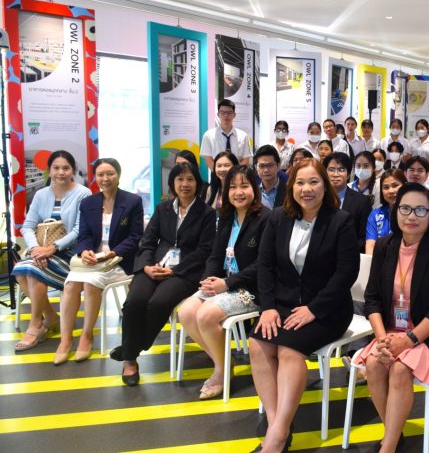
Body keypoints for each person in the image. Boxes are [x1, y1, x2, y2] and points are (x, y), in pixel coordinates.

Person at [249, 158, 359, 453]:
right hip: (283, 304)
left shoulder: (340, 220)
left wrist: (314, 309)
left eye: (313, 182)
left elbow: (346, 273)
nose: (306, 189)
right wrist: (268, 307)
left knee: (288, 349)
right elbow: (266, 267)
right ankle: (279, 427)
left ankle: (274, 438)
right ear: (291, 186)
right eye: (300, 182)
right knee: (258, 345)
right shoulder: (277, 218)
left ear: (325, 185)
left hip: (328, 308)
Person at [361, 183, 429, 453]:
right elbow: (371, 299)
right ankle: (393, 432)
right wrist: (383, 338)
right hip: (391, 331)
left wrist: (408, 341)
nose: (412, 216)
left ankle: (388, 446)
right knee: (373, 365)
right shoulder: (385, 245)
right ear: (396, 212)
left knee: (398, 369)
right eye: (405, 208)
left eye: (421, 209)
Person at [110, 163, 216, 386]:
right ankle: (131, 357)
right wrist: (147, 266)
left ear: (198, 183)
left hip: (185, 271)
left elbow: (204, 251)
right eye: (179, 179)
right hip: (154, 265)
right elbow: (147, 242)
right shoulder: (162, 209)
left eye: (190, 179)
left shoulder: (207, 213)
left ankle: (131, 353)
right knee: (134, 302)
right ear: (173, 184)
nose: (184, 184)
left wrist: (175, 270)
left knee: (158, 303)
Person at [177, 166, 269, 399]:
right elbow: (216, 256)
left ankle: (220, 371)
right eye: (233, 187)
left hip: (251, 290)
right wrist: (209, 279)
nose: (239, 192)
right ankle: (224, 362)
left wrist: (226, 284)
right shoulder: (226, 217)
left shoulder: (266, 218)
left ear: (254, 189)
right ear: (226, 190)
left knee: (205, 316)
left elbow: (263, 265)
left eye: (244, 186)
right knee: (186, 311)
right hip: (223, 284)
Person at [54, 158, 143, 364]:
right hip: (93, 260)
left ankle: (86, 336)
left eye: (110, 173)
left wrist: (112, 253)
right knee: (70, 285)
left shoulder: (132, 202)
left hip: (120, 261)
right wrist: (85, 251)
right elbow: (84, 235)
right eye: (101, 174)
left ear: (118, 175)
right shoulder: (88, 203)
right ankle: (65, 339)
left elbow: (135, 238)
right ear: (95, 177)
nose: (105, 178)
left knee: (90, 284)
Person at [13, 151, 92, 352]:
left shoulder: (83, 193)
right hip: (40, 250)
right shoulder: (41, 194)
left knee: (31, 271)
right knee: (22, 271)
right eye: (56, 168)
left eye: (66, 168)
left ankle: (35, 325)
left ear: (72, 170)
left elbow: (79, 229)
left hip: (70, 254)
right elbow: (28, 226)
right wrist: (35, 248)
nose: (61, 172)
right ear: (49, 170)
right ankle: (49, 317)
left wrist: (53, 248)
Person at [324, 152, 372, 252]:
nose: (335, 174)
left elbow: (363, 238)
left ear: (349, 174)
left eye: (341, 170)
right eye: (331, 170)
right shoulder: (317, 199)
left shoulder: (362, 201)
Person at [200, 99, 252, 170]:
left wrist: (234, 172)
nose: (226, 115)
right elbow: (208, 159)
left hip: (237, 175)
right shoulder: (208, 135)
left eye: (229, 112)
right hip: (216, 176)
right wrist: (219, 172)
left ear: (234, 115)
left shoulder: (243, 136)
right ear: (218, 114)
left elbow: (246, 159)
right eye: (222, 112)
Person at [365, 169, 406, 254]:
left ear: (405, 186)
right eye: (386, 187)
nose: (390, 191)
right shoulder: (375, 215)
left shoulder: (413, 214)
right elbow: (370, 245)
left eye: (395, 185)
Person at [255, 145, 287, 211]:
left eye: (270, 165)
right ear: (256, 167)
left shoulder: (288, 191)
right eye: (262, 166)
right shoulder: (253, 191)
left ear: (278, 166)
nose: (266, 170)